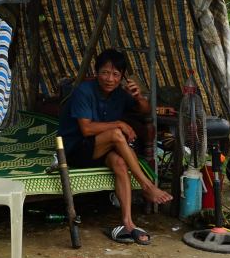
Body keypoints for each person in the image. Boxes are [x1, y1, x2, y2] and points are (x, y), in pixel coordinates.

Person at [58, 48, 173, 244]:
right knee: (116, 134)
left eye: (115, 74)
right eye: (104, 72)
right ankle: (147, 186)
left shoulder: (119, 93)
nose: (109, 78)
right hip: (74, 151)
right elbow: (86, 129)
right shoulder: (83, 92)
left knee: (120, 162)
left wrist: (138, 97)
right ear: (96, 73)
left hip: (99, 150)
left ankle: (128, 223)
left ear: (121, 77)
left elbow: (144, 111)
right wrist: (119, 124)